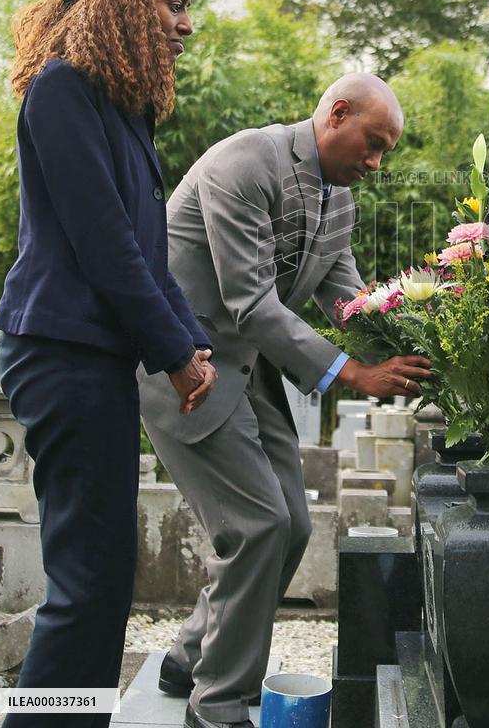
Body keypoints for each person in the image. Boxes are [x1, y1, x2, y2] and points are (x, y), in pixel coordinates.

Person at [139, 73, 431, 728]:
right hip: (189, 368)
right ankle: (217, 705)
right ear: (338, 112)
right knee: (257, 526)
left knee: (293, 525)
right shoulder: (246, 162)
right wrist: (354, 373)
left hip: (252, 373)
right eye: (373, 143)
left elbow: (348, 299)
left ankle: (187, 655)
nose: (377, 162)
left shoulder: (340, 200)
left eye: (386, 151)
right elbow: (249, 304)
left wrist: (424, 341)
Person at [0, 0, 218, 727]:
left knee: (101, 582)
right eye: (174, 3)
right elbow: (103, 245)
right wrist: (173, 356)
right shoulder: (61, 91)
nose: (186, 23)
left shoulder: (122, 112)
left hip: (88, 358)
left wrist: (190, 343)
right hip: (58, 352)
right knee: (87, 585)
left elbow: (146, 252)